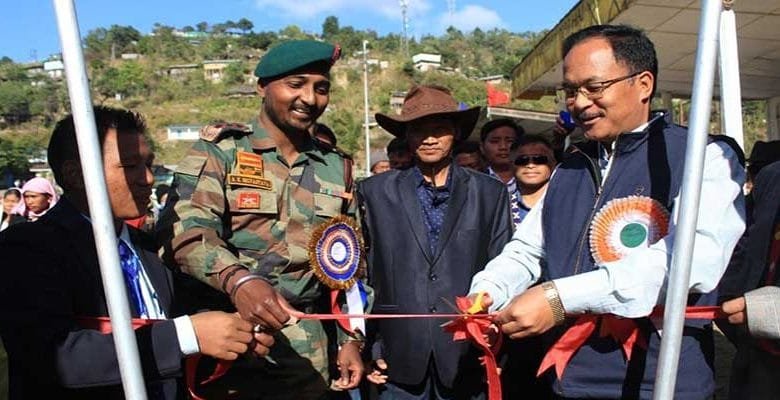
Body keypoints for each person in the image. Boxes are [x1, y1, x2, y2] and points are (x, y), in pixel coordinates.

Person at [468, 24, 745, 399]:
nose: (580, 102)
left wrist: (558, 298)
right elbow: (527, 250)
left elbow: (692, 263)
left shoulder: (703, 157)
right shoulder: (569, 169)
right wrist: (489, 290)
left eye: (594, 87)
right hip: (570, 378)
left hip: (662, 378)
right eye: (570, 91)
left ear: (643, 84)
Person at [0, 106, 273, 399]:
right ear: (76, 174)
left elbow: (181, 325)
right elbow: (54, 357)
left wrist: (233, 335)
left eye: (149, 164)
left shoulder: (150, 247)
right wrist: (185, 336)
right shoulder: (27, 247)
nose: (148, 179)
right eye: (129, 166)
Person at [159, 39, 368, 400]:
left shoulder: (337, 166)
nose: (309, 98)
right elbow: (185, 232)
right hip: (231, 341)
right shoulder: (221, 152)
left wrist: (351, 339)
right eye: (295, 84)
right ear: (262, 87)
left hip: (308, 352)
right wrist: (239, 281)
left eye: (321, 88)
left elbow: (350, 263)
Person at [360, 85, 513, 399]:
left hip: (466, 353)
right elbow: (364, 274)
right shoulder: (375, 193)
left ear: (455, 133)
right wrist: (371, 344)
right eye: (419, 130)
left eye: (439, 129)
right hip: (396, 356)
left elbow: (504, 267)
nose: (429, 139)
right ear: (407, 135)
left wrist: (496, 344)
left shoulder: (489, 193)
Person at [718, 160, 780, 399]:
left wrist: (771, 311)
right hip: (757, 364)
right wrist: (729, 293)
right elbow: (741, 243)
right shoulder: (772, 176)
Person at [511, 135, 557, 226]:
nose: (530, 165)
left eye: (539, 159)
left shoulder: (566, 203)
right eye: (522, 160)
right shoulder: (500, 205)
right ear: (511, 164)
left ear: (553, 164)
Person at [479, 118, 524, 192]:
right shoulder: (473, 181)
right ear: (482, 147)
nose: (503, 147)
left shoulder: (533, 178)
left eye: (510, 141)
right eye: (495, 141)